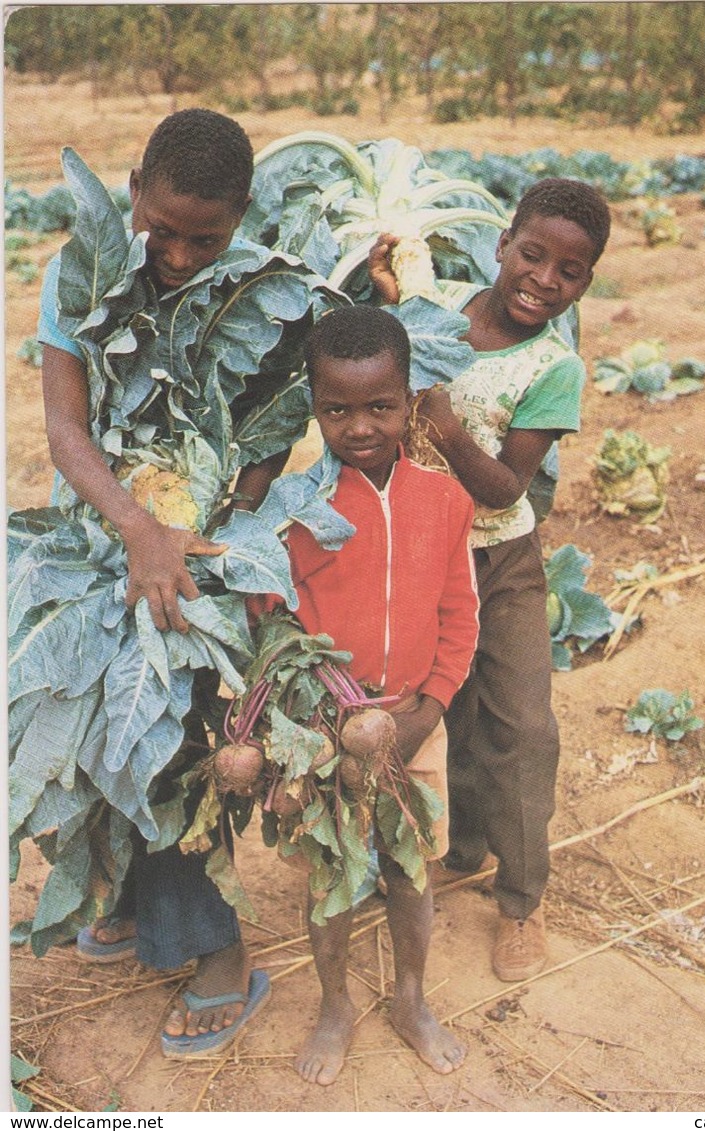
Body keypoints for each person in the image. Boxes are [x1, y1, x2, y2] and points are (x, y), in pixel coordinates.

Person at [37, 108, 298, 1053]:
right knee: (94, 718)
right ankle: (135, 903)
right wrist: (140, 524)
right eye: (164, 228)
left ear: (241, 217)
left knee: (178, 735)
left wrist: (218, 514)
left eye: (208, 237)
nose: (181, 254)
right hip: (112, 524)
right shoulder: (82, 273)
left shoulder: (262, 285)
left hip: (203, 543)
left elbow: (272, 423)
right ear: (135, 186)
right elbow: (67, 432)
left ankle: (219, 951)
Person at [368, 177, 612, 982]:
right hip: (422, 553)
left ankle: (521, 898)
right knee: (447, 708)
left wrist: (439, 421)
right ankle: (458, 847)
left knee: (521, 723)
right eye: (532, 255)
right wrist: (384, 291)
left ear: (585, 282)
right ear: (501, 244)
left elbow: (508, 486)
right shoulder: (438, 311)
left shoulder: (554, 366)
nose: (544, 279)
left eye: (569, 272)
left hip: (499, 559)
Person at [246, 304, 479, 1084]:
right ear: (313, 407)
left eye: (380, 406)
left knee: (412, 868)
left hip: (416, 715)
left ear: (410, 400)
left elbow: (460, 614)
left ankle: (410, 997)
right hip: (326, 729)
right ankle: (335, 1003)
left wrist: (431, 708)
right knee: (334, 872)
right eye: (336, 409)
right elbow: (272, 618)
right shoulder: (295, 509)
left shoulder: (445, 501)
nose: (360, 427)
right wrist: (311, 712)